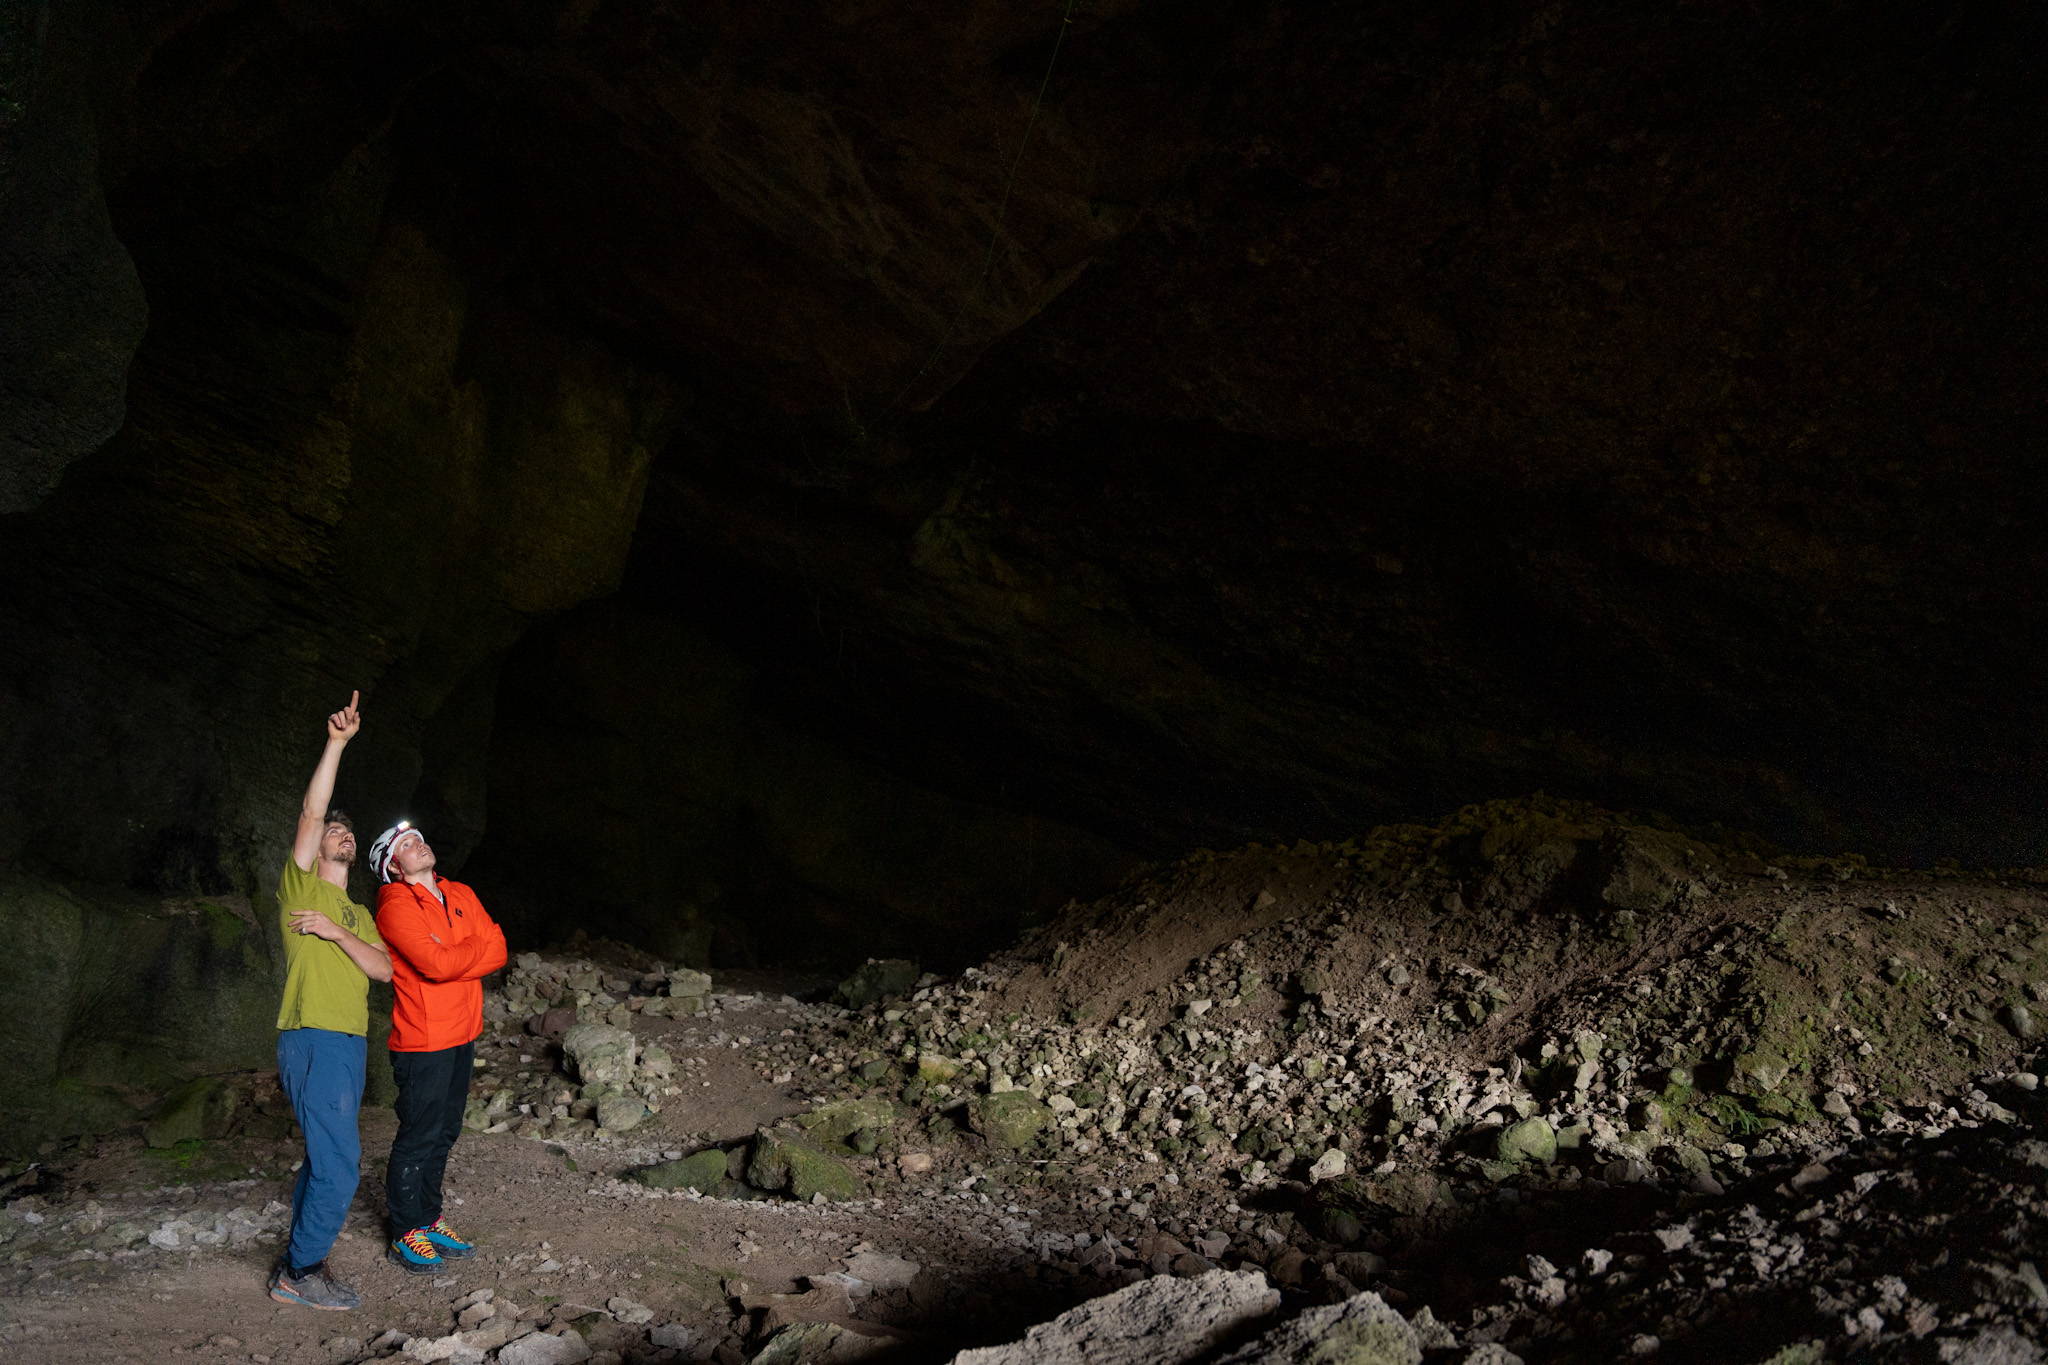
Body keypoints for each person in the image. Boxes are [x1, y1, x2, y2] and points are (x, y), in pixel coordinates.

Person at [270, 690, 392, 1311]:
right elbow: (311, 815)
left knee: (327, 1156)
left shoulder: (357, 912)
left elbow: (383, 969)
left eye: (349, 833)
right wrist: (337, 743)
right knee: (341, 1164)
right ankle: (302, 1270)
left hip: (349, 1041)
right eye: (334, 832)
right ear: (319, 848)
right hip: (312, 1033)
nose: (341, 836)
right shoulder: (299, 886)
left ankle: (296, 1257)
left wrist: (338, 930)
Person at [367, 818, 507, 1274]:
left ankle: (429, 1218)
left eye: (420, 838)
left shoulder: (461, 892)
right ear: (393, 864)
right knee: (419, 1136)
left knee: (445, 1132)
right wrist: (471, 954)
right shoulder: (393, 906)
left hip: (463, 1032)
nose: (419, 844)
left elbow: (499, 949)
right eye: (407, 844)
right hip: (423, 1039)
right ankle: (405, 1231)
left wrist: (457, 958)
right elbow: (434, 964)